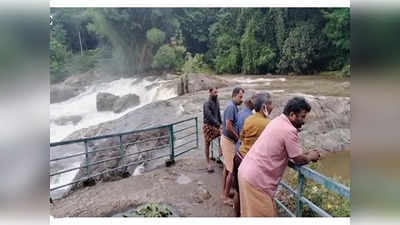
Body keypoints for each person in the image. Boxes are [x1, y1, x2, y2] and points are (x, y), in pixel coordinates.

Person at [238, 97, 321, 217]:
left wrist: (305, 154)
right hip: (256, 182)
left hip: (246, 173)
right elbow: (298, 159)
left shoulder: (277, 120)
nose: (304, 121)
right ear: (292, 115)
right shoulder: (289, 130)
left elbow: (291, 152)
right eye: (302, 117)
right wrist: (311, 156)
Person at [232, 92, 273, 216]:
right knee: (252, 197)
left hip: (239, 157)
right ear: (264, 107)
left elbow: (242, 137)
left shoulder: (248, 119)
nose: (273, 107)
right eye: (270, 104)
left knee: (238, 192)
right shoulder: (268, 124)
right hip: (250, 163)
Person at [220, 87, 244, 205]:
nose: (241, 99)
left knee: (226, 167)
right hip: (228, 141)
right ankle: (225, 197)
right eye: (240, 97)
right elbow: (228, 127)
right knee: (231, 170)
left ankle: (224, 191)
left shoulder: (232, 106)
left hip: (226, 140)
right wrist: (238, 138)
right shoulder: (231, 107)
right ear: (234, 95)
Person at [202, 87, 222, 173]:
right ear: (210, 92)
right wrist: (218, 124)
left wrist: (221, 123)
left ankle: (220, 158)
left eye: (217, 92)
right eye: (215, 92)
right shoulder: (206, 103)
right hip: (208, 125)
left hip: (216, 125)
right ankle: (208, 163)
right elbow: (209, 116)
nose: (216, 94)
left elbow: (218, 113)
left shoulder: (217, 101)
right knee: (207, 144)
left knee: (222, 139)